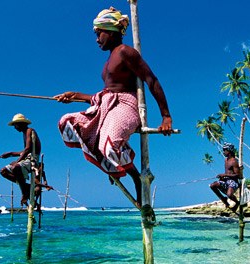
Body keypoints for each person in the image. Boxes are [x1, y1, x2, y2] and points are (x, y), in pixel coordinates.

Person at [54, 7, 172, 206]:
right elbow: (105, 96)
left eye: (98, 33)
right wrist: (75, 96)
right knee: (68, 122)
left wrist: (166, 116)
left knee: (107, 146)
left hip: (126, 105)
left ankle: (129, 172)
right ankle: (114, 164)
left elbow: (151, 80)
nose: (97, 38)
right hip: (106, 105)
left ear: (110, 30)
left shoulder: (126, 52)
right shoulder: (108, 61)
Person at [0, 113, 51, 207]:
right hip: (27, 157)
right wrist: (10, 154)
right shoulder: (24, 133)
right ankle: (27, 187)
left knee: (16, 167)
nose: (15, 127)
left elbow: (28, 150)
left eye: (15, 125)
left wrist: (17, 161)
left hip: (32, 158)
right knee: (3, 171)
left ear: (21, 123)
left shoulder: (29, 131)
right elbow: (25, 150)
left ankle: (24, 193)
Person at [210, 143, 241, 212]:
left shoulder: (234, 161)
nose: (223, 152)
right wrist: (222, 177)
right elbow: (227, 172)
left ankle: (237, 202)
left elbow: (237, 175)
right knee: (213, 185)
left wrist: (224, 175)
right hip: (226, 180)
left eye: (224, 150)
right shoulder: (226, 160)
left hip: (234, 181)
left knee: (229, 195)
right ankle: (223, 199)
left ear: (229, 151)